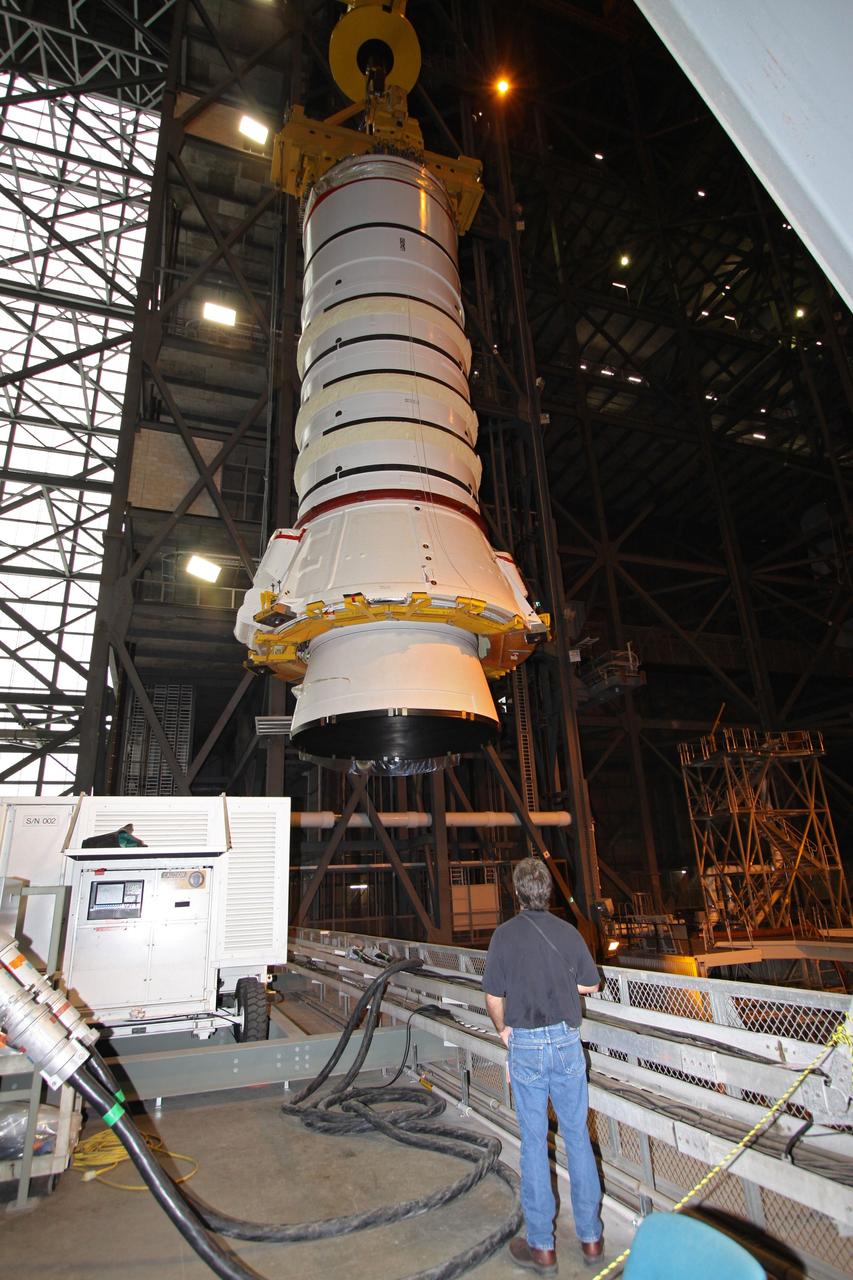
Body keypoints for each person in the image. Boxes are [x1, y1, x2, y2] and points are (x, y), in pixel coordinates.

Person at [483, 856, 604, 1274]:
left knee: (534, 1143)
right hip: (567, 1044)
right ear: (549, 892)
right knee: (578, 1137)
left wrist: (503, 1031)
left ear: (516, 893)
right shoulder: (568, 932)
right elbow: (591, 983)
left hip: (527, 1045)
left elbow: (493, 996)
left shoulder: (503, 936)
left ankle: (542, 1247)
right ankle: (592, 1239)